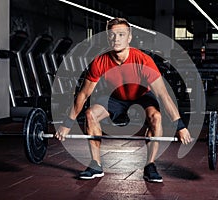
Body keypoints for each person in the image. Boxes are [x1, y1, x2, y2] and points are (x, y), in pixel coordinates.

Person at [55, 17, 192, 183]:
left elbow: (163, 95)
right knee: (91, 114)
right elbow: (83, 95)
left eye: (121, 35)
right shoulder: (100, 61)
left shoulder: (144, 61)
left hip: (141, 96)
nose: (116, 39)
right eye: (112, 35)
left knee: (156, 117)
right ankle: (96, 164)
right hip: (115, 97)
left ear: (129, 37)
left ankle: (150, 165)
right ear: (108, 37)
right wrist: (67, 124)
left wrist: (181, 127)